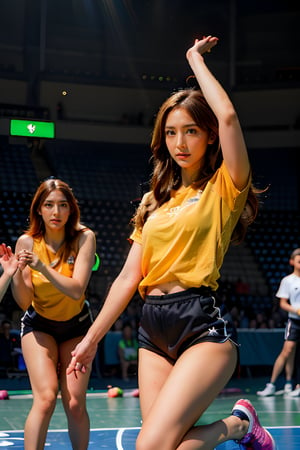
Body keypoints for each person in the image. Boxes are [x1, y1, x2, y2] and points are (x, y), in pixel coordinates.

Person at [67, 35, 275, 449]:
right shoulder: (153, 201)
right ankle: (238, 425)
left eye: (192, 131)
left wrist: (193, 60)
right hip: (153, 327)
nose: (180, 143)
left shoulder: (224, 187)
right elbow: (128, 277)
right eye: (172, 133)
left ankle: (237, 427)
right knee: (166, 445)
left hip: (200, 323)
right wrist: (90, 341)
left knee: (151, 445)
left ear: (209, 136)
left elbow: (229, 117)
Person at [11, 178, 96, 450]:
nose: (56, 212)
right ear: (39, 209)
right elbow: (25, 301)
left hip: (77, 327)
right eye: (49, 205)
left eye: (62, 205)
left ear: (71, 209)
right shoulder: (26, 242)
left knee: (74, 403)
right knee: (46, 398)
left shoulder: (85, 238)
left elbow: (76, 290)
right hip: (39, 326)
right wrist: (15, 273)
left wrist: (43, 268)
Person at [257, 248, 300, 397]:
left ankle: (292, 384)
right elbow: (283, 303)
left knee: (294, 352)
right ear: (292, 262)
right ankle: (272, 384)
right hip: (294, 321)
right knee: (288, 350)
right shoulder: (287, 280)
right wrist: (296, 311)